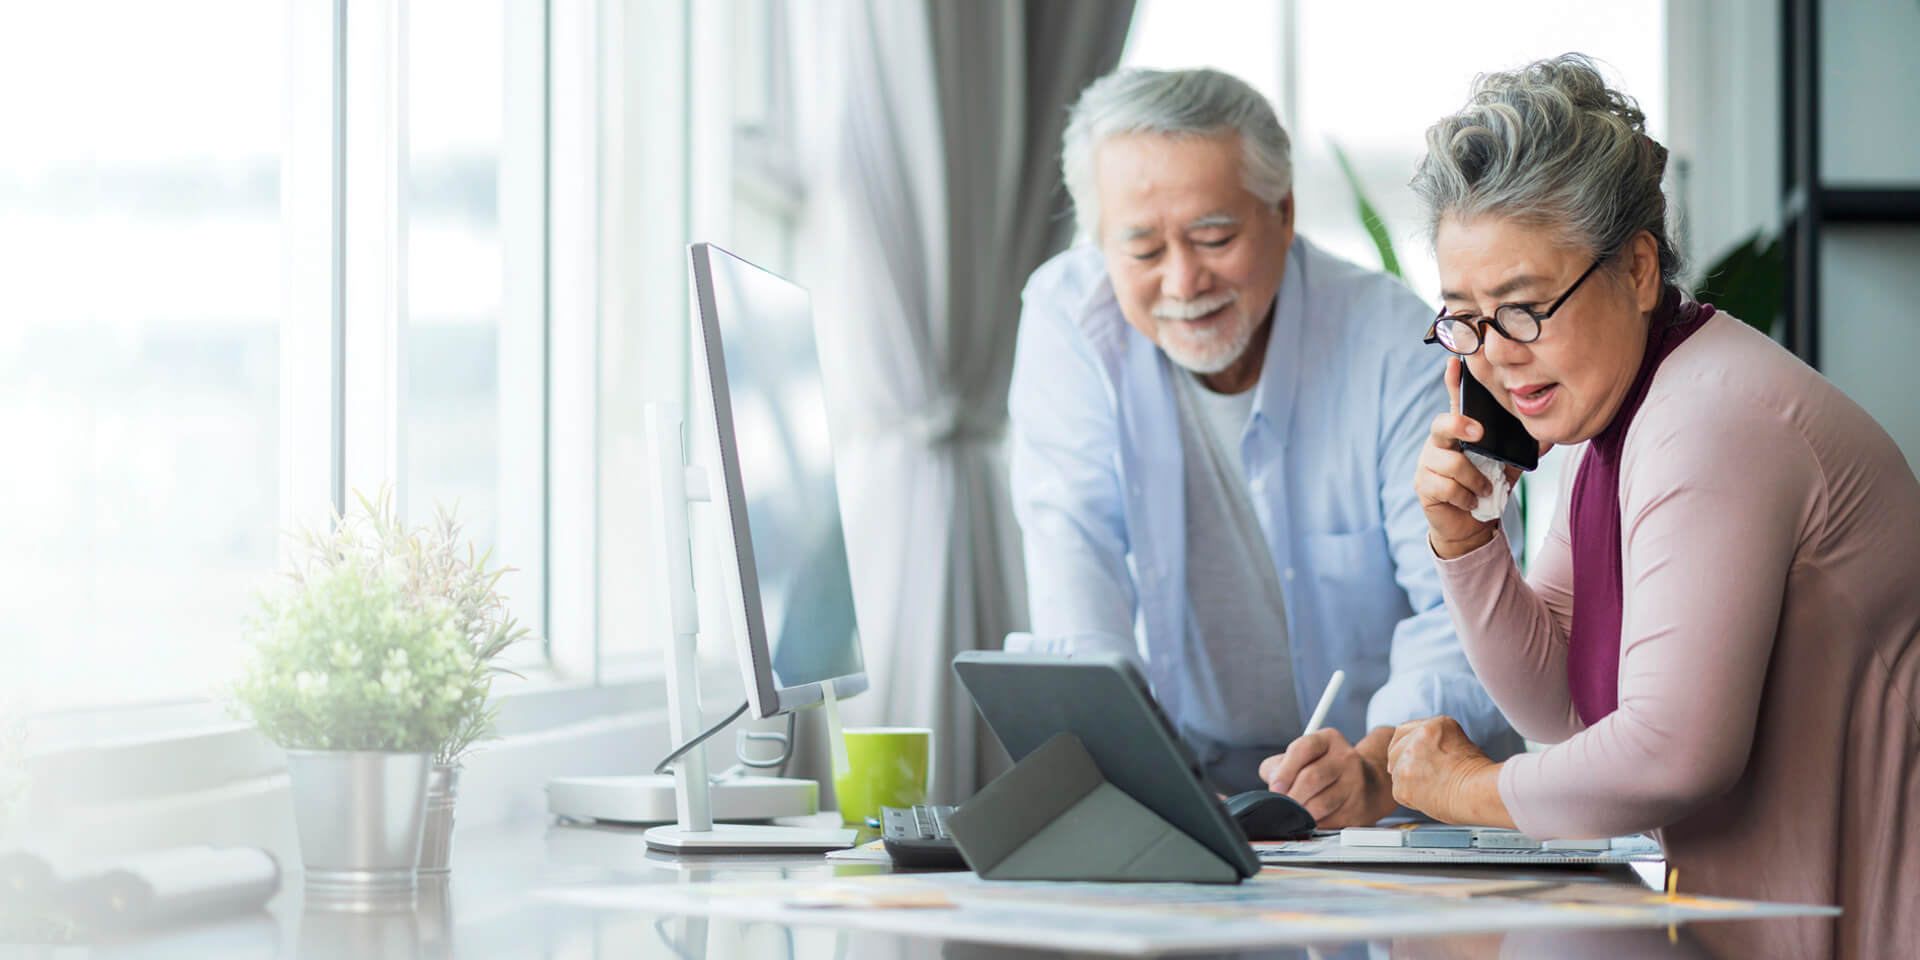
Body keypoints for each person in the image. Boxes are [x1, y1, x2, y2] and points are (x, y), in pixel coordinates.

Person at [1388, 54, 1920, 959]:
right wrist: (1469, 545)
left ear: (1636, 268)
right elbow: (1565, 714)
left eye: (1522, 308)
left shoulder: (1710, 418)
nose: (1494, 357)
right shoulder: (1623, 424)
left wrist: (1467, 788)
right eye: (1465, 318)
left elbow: (1672, 751)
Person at [1006, 67, 1517, 824]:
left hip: (1387, 792)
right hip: (1184, 786)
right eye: (1142, 250)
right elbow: (1073, 559)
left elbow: (1465, 608)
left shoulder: (1392, 346)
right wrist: (1133, 767)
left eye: (1214, 237)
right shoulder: (1067, 319)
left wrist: (1377, 766)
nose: (1183, 281)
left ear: (1283, 213)